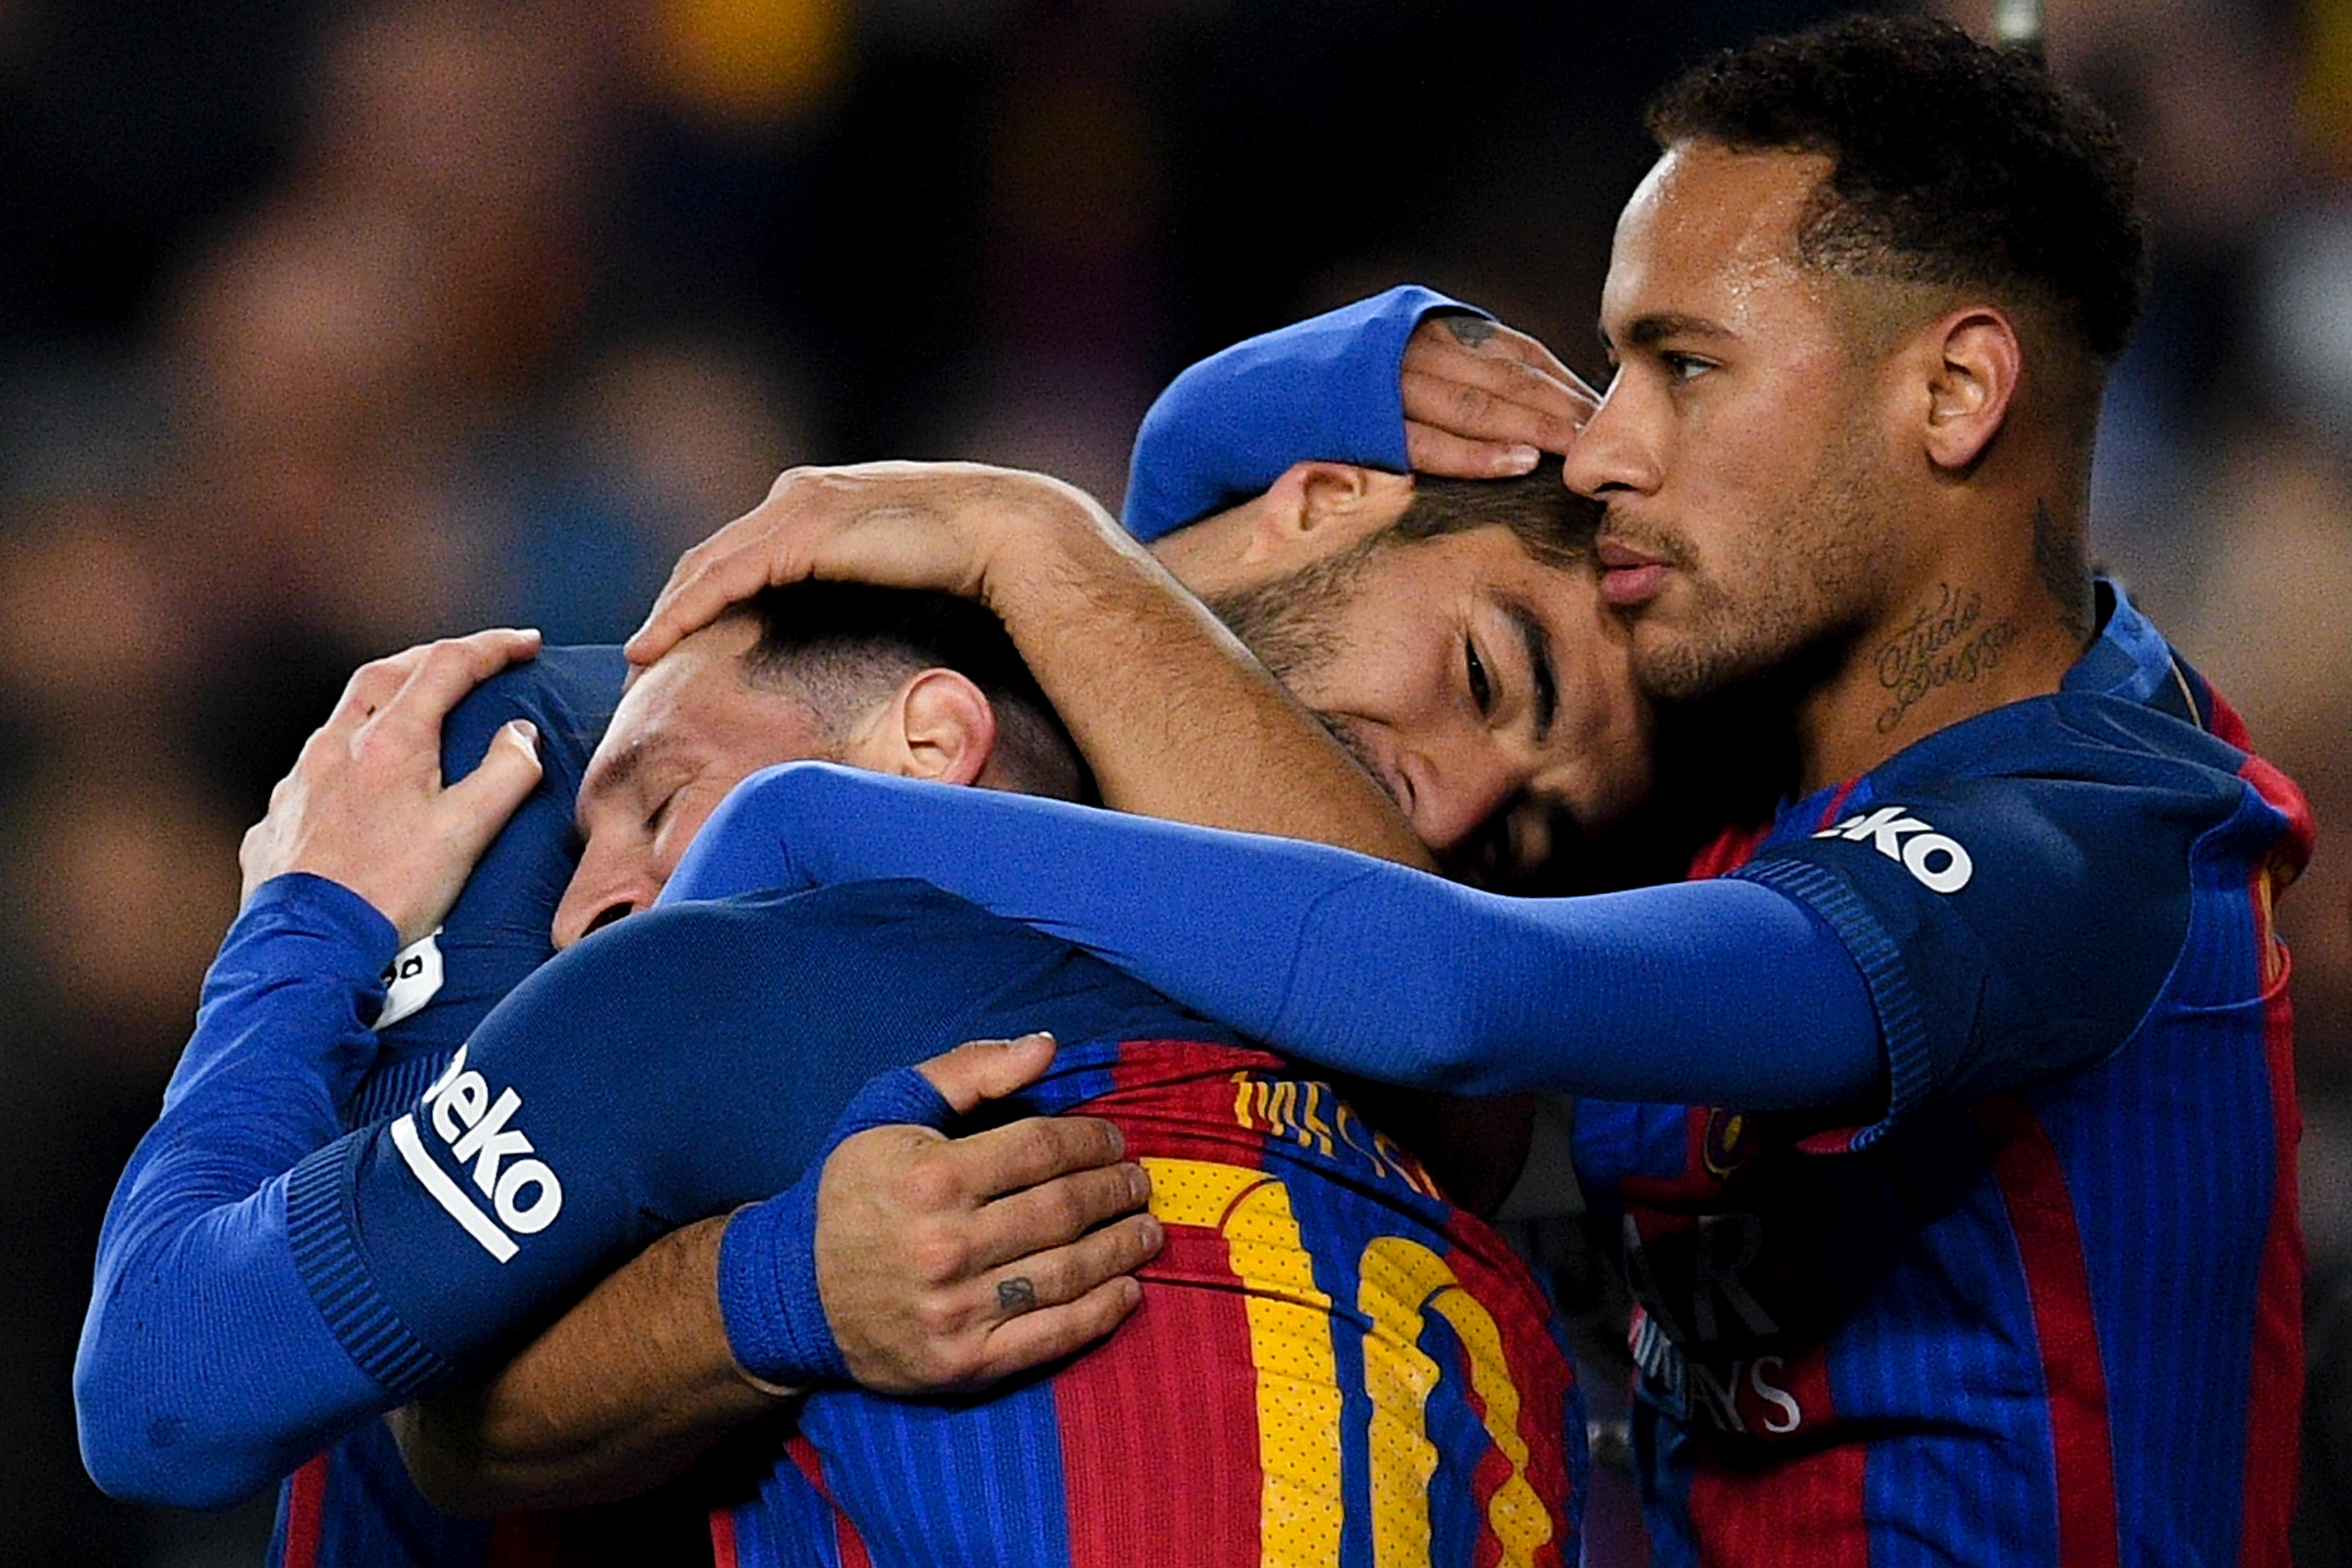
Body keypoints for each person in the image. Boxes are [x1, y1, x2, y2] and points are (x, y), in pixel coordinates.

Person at [617, 17, 2313, 1564]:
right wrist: (1321, 377)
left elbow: (1451, 986)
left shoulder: (2087, 843)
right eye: (1610, 368)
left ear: (1950, 393)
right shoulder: (1719, 746)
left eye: (1683, 367)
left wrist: (862, 769)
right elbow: (1236, 660)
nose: (1603, 446)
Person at [79, 582, 1584, 1568]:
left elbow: (161, 1392)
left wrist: (311, 923)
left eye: (655, 800)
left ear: (928, 742)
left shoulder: (738, 977)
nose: (580, 909)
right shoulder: (1402, 1102)